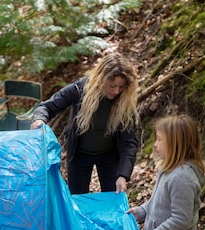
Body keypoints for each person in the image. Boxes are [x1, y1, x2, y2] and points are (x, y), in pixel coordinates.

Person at [30, 52, 139, 194]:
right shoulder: (80, 89)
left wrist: (123, 175)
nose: (116, 91)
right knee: (78, 199)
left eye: (121, 87)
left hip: (109, 154)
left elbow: (129, 143)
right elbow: (47, 107)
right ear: (101, 79)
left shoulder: (124, 102)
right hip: (79, 153)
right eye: (112, 86)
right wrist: (39, 120)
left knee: (112, 197)